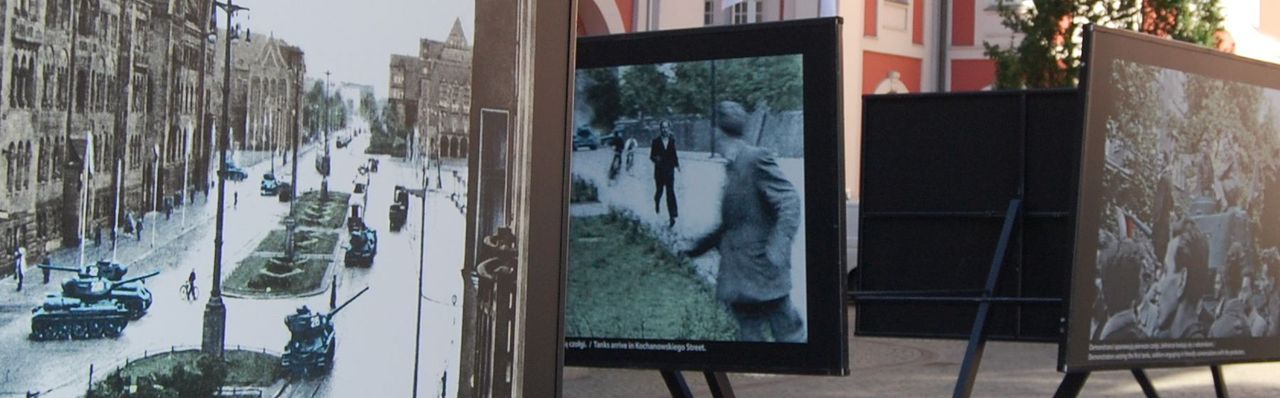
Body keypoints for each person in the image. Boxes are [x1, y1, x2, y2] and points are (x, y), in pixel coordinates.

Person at [682, 101, 804, 343]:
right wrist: (695, 248)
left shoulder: (754, 159)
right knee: (751, 336)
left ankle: (797, 379)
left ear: (716, 131)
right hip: (740, 277)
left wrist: (778, 247)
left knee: (790, 336)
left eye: (712, 129)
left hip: (763, 270)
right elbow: (732, 224)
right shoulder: (734, 164)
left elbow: (789, 201)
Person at [650, 122, 680, 228]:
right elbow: (651, 156)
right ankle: (657, 203)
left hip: (669, 170)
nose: (664, 130)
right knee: (659, 191)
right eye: (662, 128)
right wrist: (656, 159)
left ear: (669, 129)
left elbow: (674, 154)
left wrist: (677, 165)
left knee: (670, 192)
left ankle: (672, 216)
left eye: (666, 128)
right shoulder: (656, 142)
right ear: (660, 129)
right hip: (659, 172)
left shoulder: (672, 141)